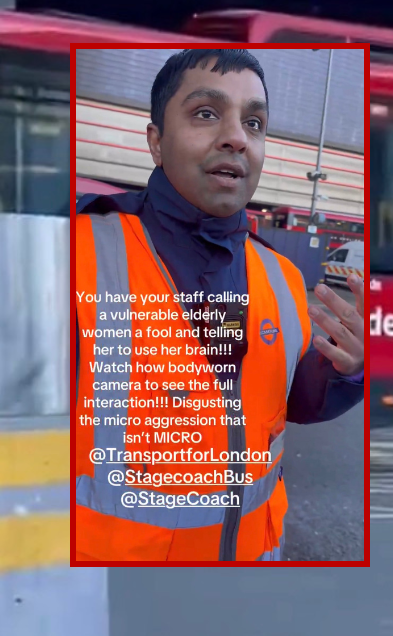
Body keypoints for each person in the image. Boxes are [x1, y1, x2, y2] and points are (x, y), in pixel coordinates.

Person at [73, 49, 365, 562]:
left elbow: (286, 402)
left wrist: (348, 369)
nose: (237, 136)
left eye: (254, 122)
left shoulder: (282, 277)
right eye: (206, 113)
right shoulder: (75, 252)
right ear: (156, 142)